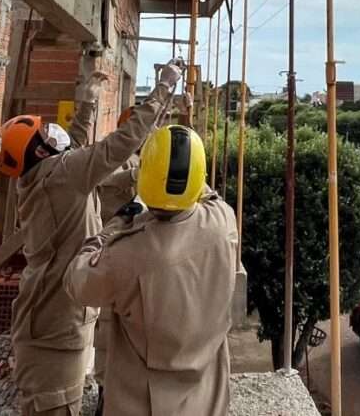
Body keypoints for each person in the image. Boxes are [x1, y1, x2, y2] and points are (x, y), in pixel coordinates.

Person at [0, 61, 184, 416]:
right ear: (40, 152)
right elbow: (120, 143)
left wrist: (88, 100)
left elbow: (76, 146)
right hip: (55, 335)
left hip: (48, 321)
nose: (53, 130)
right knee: (56, 406)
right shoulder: (63, 175)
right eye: (45, 132)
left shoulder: (46, 176)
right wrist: (163, 88)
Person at [64, 124, 238, 416]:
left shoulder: (128, 256)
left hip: (144, 405)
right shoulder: (223, 221)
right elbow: (204, 194)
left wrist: (113, 228)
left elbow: (77, 281)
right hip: (208, 399)